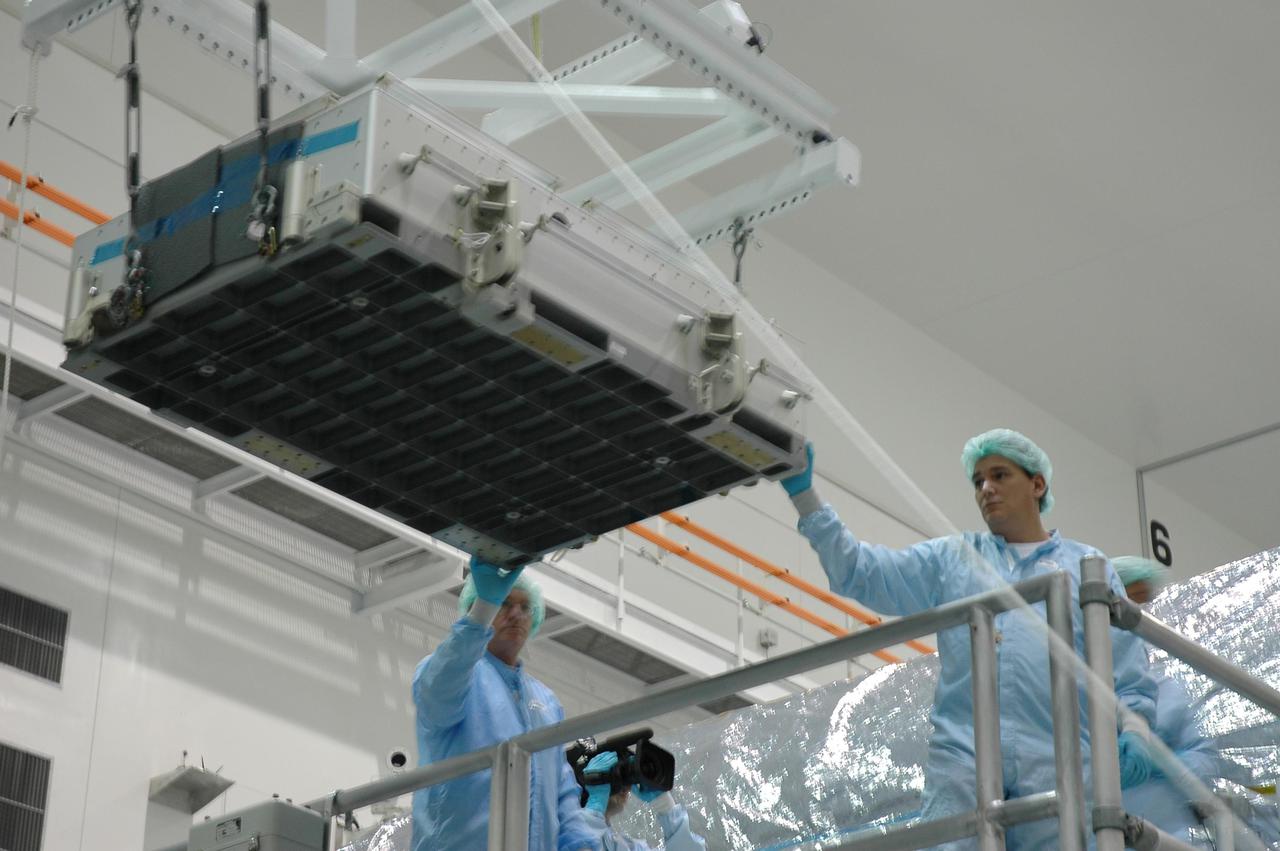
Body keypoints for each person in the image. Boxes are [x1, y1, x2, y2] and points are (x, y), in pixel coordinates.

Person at [781, 428, 1159, 849]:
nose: (986, 489)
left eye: (1000, 475)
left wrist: (1137, 727)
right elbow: (863, 573)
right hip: (964, 758)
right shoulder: (955, 559)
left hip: (1062, 760)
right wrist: (806, 497)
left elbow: (1124, 664)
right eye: (978, 481)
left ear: (1038, 484)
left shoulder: (1086, 568)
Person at [411, 557, 597, 851]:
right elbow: (440, 690)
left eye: (525, 607)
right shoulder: (454, 676)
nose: (516, 614)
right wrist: (484, 606)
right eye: (505, 603)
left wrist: (583, 846)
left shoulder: (546, 702)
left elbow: (562, 795)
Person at [579, 751, 707, 851]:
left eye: (624, 780)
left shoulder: (628, 847)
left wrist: (665, 805)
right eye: (613, 780)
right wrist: (593, 812)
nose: (625, 787)